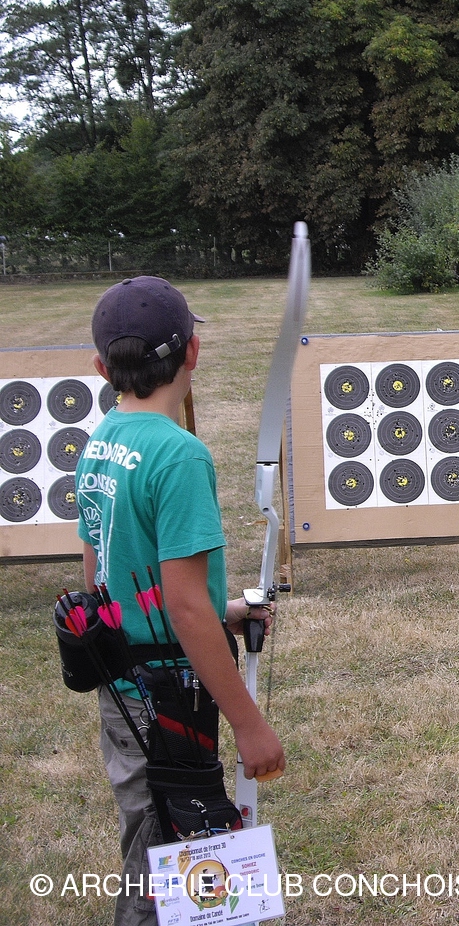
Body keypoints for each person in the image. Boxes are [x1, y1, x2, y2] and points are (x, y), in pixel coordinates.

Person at [76, 276, 286, 926]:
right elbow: (185, 608)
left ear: (101, 367)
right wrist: (249, 723)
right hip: (165, 700)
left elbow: (101, 572)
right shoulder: (178, 456)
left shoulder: (101, 440)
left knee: (172, 845)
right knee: (169, 865)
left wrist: (223, 613)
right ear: (192, 351)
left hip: (127, 687)